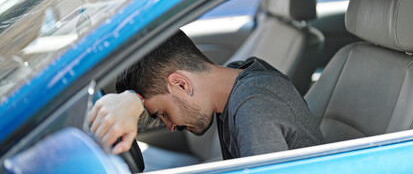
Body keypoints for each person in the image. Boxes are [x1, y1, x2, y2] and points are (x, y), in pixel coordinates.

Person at [88, 29, 324, 160]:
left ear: (181, 84)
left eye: (164, 114)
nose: (169, 126)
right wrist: (133, 100)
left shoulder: (255, 110)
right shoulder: (237, 74)